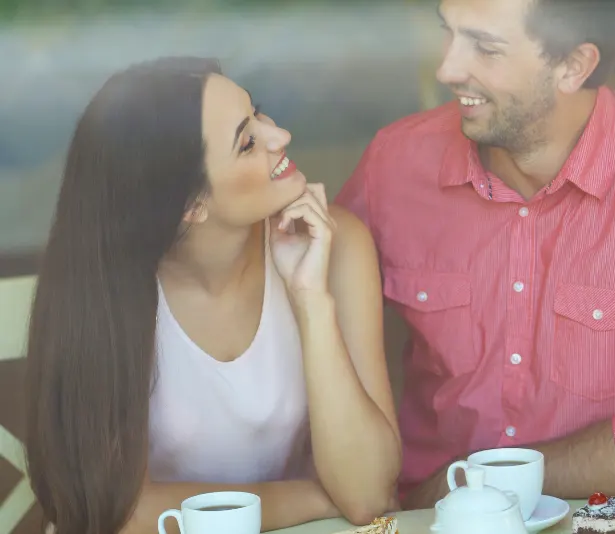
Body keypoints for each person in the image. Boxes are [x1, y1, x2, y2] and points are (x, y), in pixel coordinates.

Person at [335, 0, 615, 510]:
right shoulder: (397, 163)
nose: (447, 69)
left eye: (486, 47)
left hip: (604, 516)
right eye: (449, 34)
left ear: (574, 66)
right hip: (425, 518)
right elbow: (302, 340)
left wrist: (486, 480)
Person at [24, 57, 401, 534]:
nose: (278, 135)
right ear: (190, 205)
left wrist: (310, 300)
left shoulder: (336, 244)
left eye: (258, 112)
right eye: (247, 142)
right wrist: (312, 498)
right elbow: (110, 512)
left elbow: (368, 492)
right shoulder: (100, 291)